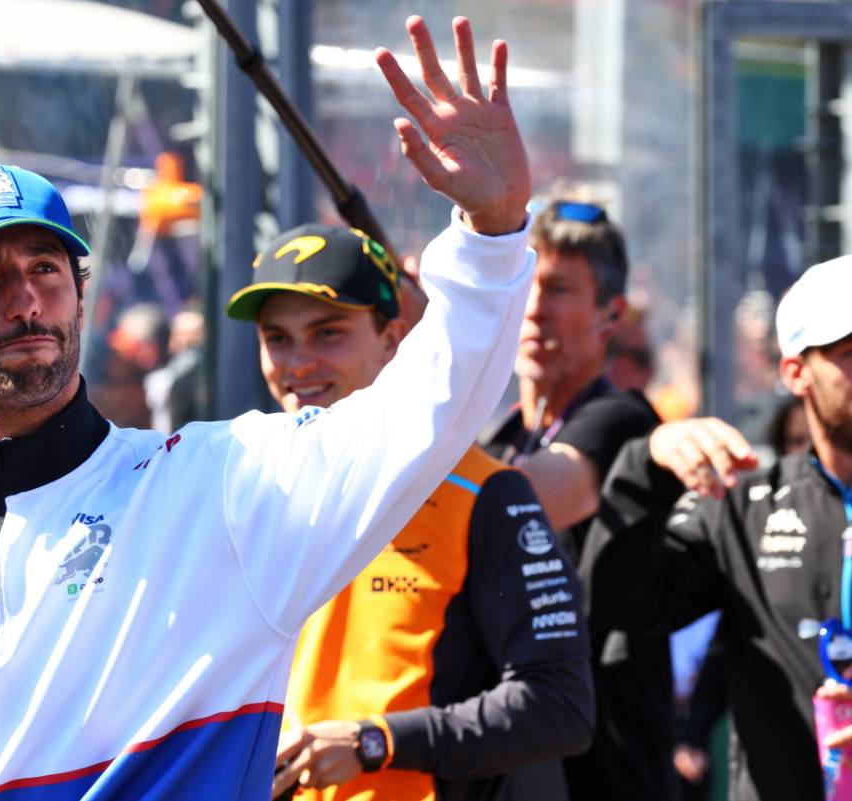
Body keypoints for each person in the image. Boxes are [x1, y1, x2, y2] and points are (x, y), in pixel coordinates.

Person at [0, 15, 535, 800]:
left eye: (46, 267)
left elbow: (429, 408)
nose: (26, 300)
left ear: (82, 292)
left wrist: (491, 236)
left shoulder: (219, 493)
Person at [226, 222, 593, 801]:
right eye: (278, 338)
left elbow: (558, 707)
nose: (297, 363)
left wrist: (377, 742)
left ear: (393, 340)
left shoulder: (486, 494)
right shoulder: (246, 487)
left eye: (327, 333)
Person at [580, 254, 852, 800]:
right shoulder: (745, 505)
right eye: (851, 354)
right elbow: (622, 604)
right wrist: (646, 468)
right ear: (795, 372)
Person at [479, 198, 667, 801]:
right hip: (519, 745)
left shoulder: (620, 420)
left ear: (611, 314)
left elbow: (505, 518)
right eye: (526, 286)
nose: (534, 309)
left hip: (605, 758)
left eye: (558, 289)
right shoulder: (501, 435)